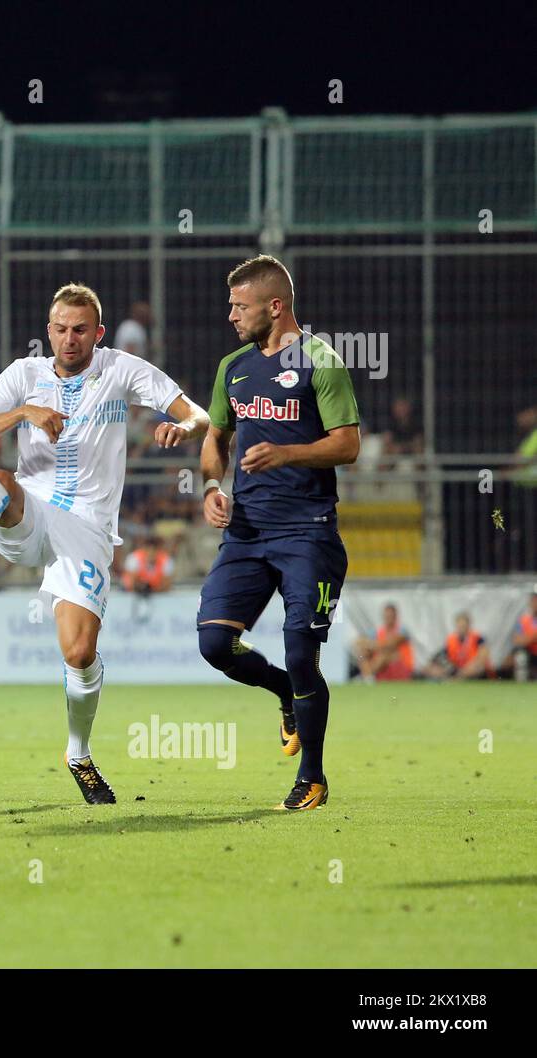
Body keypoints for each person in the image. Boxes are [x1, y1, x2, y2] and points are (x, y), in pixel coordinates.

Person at [0, 282, 209, 804]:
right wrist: (23, 413)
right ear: (48, 331)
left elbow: (197, 413)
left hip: (88, 528)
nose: (70, 339)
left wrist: (184, 428)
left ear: (99, 333)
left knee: (80, 651)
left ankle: (78, 752)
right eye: (61, 329)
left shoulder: (120, 369)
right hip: (31, 510)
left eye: (81, 330)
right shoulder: (24, 375)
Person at [197, 255, 361, 811]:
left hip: (307, 533)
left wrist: (288, 452)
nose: (231, 316)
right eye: (229, 306)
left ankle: (312, 777)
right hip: (245, 529)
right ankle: (283, 694)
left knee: (300, 652)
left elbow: (348, 444)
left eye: (239, 307)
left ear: (275, 306)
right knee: (214, 643)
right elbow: (216, 436)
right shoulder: (232, 368)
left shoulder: (321, 362)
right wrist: (210, 488)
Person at [353, 603, 415, 682]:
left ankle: (367, 676)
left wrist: (370, 645)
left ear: (395, 617)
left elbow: (390, 644)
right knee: (364, 652)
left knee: (387, 654)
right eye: (387, 616)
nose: (388, 618)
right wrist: (367, 647)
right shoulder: (378, 631)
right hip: (382, 667)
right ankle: (367, 677)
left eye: (390, 616)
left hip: (402, 666)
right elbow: (359, 641)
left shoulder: (402, 630)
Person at [425, 613, 494, 681]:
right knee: (431, 668)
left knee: (476, 666)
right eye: (459, 626)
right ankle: (452, 679)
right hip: (455, 668)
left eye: (463, 626)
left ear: (468, 625)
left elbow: (483, 654)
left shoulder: (477, 638)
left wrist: (469, 667)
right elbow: (439, 655)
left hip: (471, 667)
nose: (461, 628)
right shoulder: (452, 639)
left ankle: (456, 679)